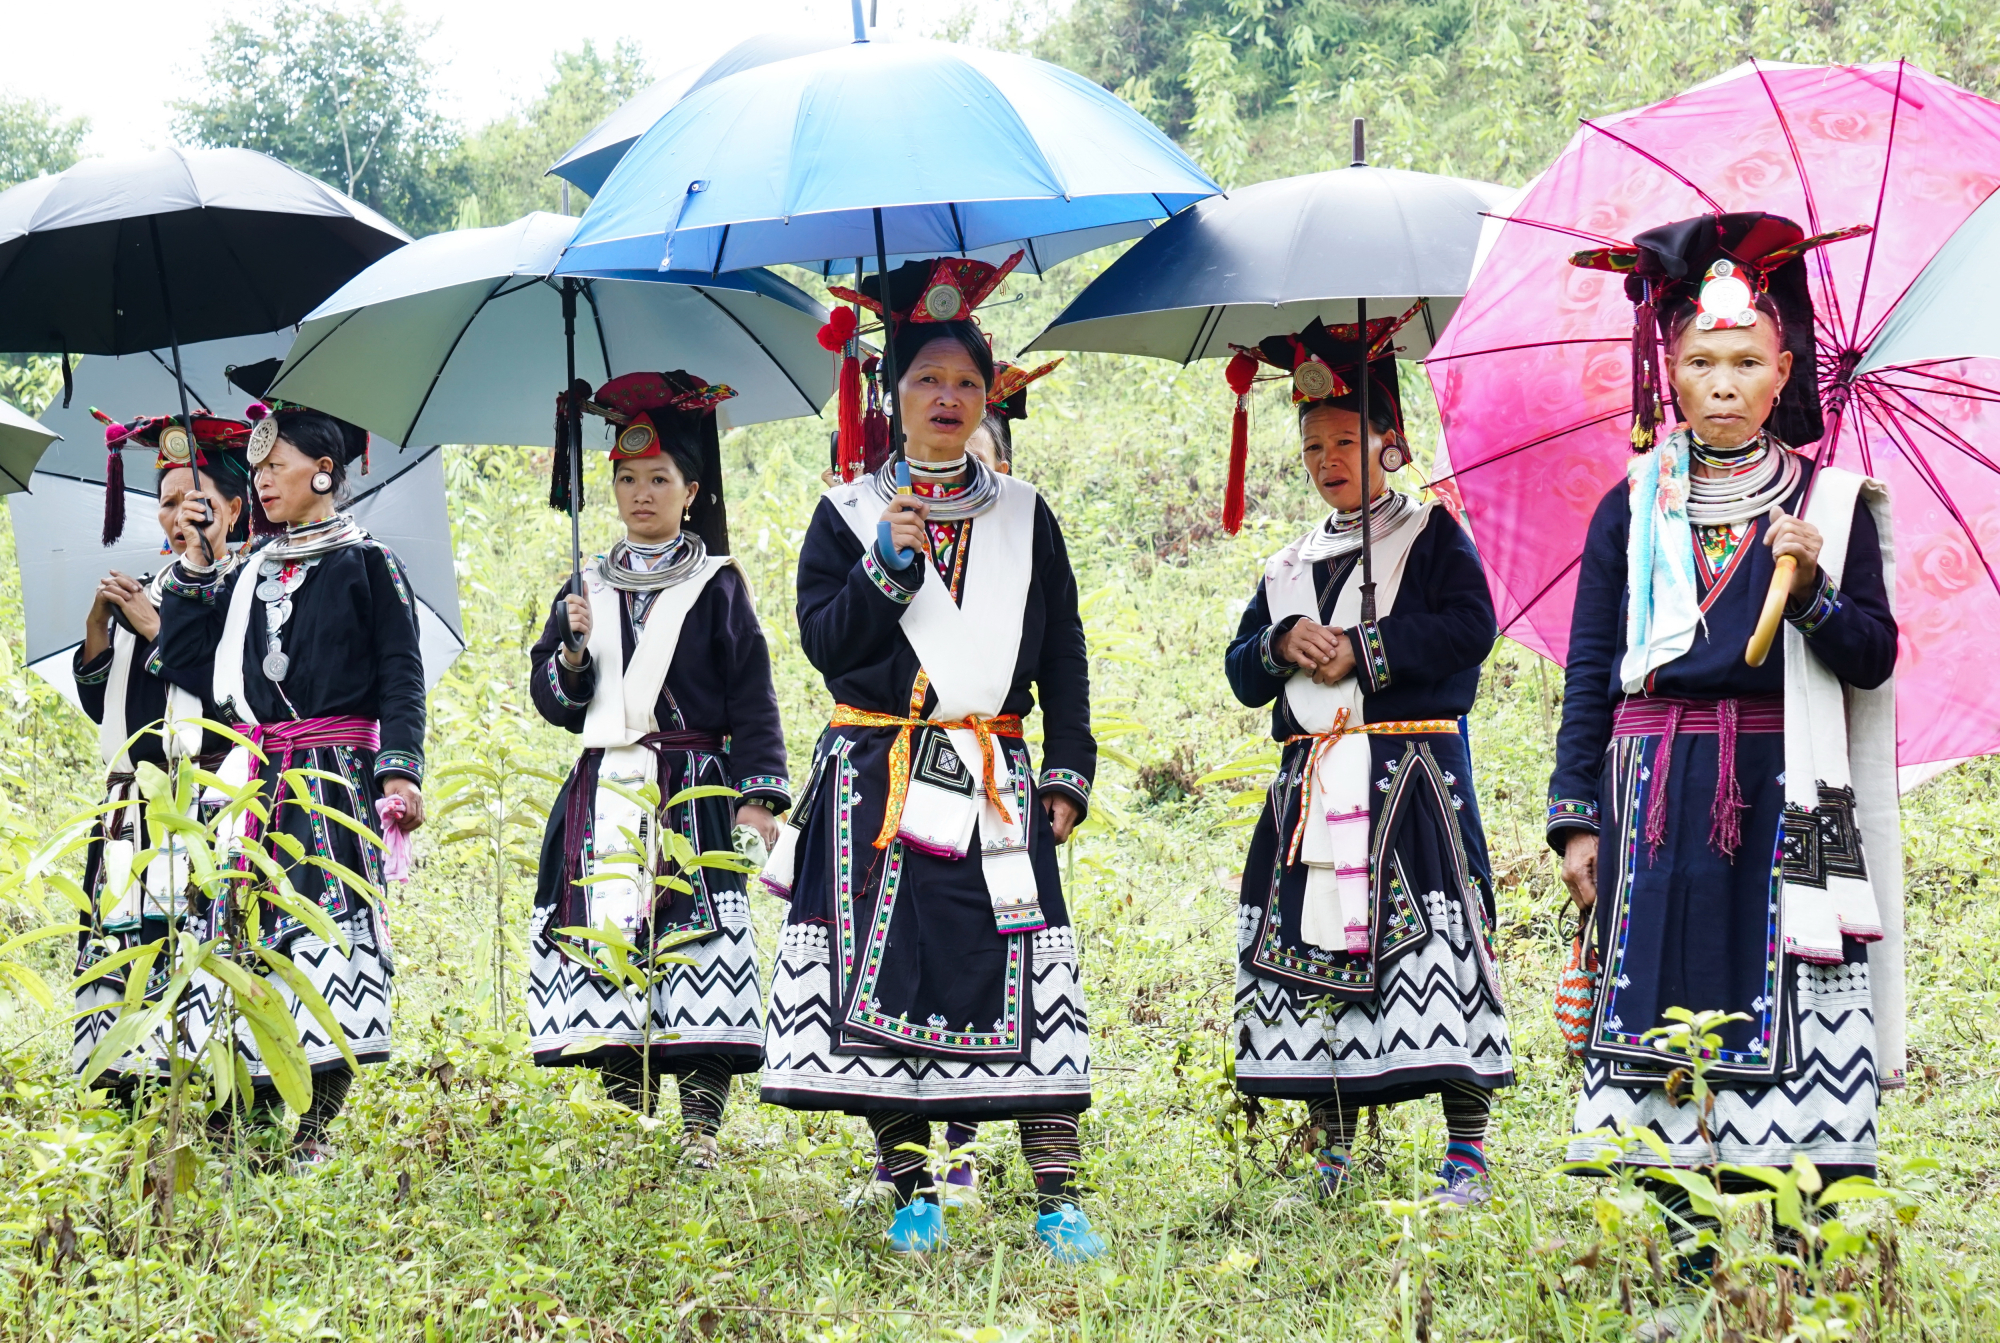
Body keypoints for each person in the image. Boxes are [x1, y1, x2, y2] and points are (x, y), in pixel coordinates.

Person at [1548, 213, 1899, 1303]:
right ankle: (1685, 1261)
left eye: (1745, 361)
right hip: (1653, 793)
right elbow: (1590, 662)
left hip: (1790, 787)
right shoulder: (1628, 506)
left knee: (1805, 1007)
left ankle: (1807, 1267)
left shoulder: (1826, 505)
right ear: (1667, 368)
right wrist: (1574, 817)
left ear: (1783, 368)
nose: (1720, 382)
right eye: (1698, 360)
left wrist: (1818, 592)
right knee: (1661, 1010)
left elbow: (1873, 657)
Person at [760, 254, 1102, 1260]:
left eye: (963, 380)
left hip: (994, 772)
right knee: (892, 971)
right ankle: (913, 1179)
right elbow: (828, 644)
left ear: (987, 393)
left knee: (1024, 959)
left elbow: (1063, 650)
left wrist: (1067, 773)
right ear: (890, 394)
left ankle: (1055, 1190)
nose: (945, 397)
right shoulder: (845, 517)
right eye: (924, 379)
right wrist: (888, 564)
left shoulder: (1026, 513)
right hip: (878, 780)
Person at [1222, 313, 1513, 1204]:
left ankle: (1464, 1149)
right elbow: (1240, 671)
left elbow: (1472, 628)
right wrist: (1281, 642)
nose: (1328, 460)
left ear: (1387, 441)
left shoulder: (1429, 536)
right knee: (1324, 947)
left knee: (1439, 944)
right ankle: (1336, 1141)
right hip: (1312, 787)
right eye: (1313, 446)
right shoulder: (1288, 565)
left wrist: (1368, 648)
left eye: (1346, 440)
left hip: (1412, 781)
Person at [527, 371, 788, 1167]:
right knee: (610, 948)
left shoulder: (717, 585)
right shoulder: (585, 587)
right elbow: (554, 700)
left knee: (697, 949)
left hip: (695, 793)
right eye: (627, 480)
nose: (642, 494)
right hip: (604, 792)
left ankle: (700, 1130)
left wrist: (757, 795)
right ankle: (626, 1124)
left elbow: (753, 694)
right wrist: (570, 651)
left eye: (659, 480)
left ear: (691, 489)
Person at [155, 404, 426, 1163]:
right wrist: (203, 562)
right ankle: (239, 1110)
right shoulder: (246, 571)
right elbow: (189, 670)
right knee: (238, 933)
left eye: (276, 467)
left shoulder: (369, 564)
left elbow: (403, 677)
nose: (262, 480)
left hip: (333, 781)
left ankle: (314, 1127)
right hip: (255, 778)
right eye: (258, 467)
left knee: (323, 934)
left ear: (324, 472)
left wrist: (400, 769)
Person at [71, 411, 257, 1087]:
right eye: (168, 502)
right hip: (131, 805)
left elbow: (237, 698)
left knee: (196, 943)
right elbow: (109, 702)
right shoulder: (146, 589)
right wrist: (100, 634)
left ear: (236, 509)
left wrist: (157, 628)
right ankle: (127, 1084)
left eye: (196, 502)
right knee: (128, 945)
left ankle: (206, 1085)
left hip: (205, 801)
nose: (179, 516)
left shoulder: (247, 591)